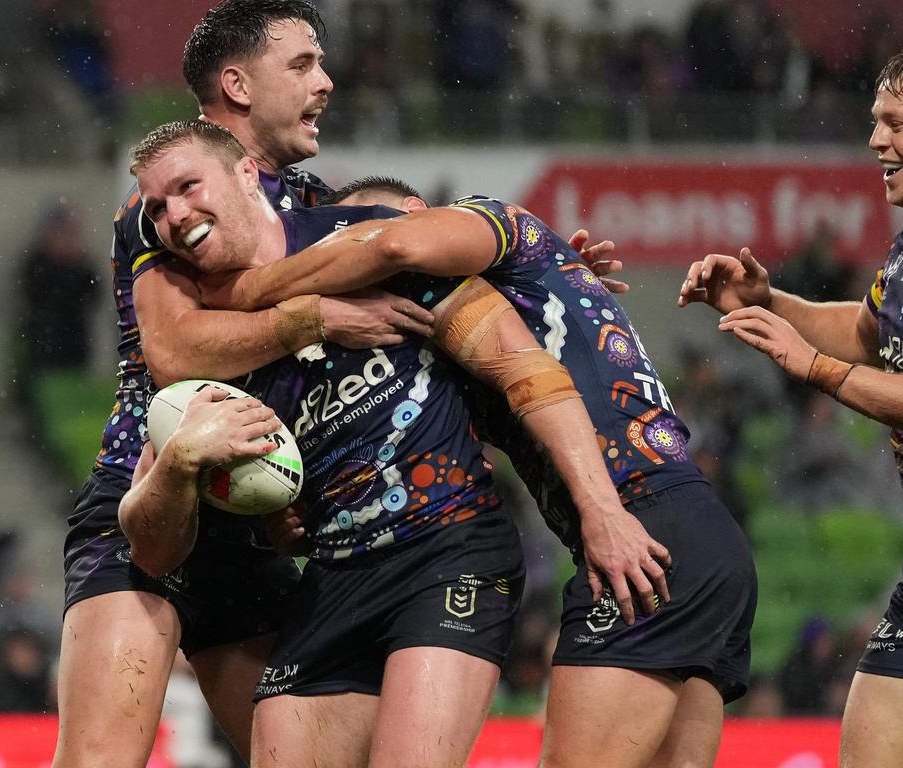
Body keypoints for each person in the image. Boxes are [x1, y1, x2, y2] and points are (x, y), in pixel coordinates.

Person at [128, 119, 673, 768]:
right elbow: (151, 548)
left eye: (188, 186)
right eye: (157, 209)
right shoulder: (200, 341)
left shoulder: (371, 245)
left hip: (449, 550)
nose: (175, 215)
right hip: (335, 575)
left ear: (247, 173)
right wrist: (201, 477)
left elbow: (525, 371)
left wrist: (602, 511)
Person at [196, 173, 758, 767]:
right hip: (702, 540)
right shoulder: (480, 322)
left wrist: (246, 291)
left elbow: (392, 245)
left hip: (644, 527)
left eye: (347, 234)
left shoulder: (488, 219)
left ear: (416, 211)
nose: (348, 255)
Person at [53, 3, 436, 767]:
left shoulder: (313, 208)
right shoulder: (171, 198)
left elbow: (410, 292)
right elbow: (173, 354)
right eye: (301, 64)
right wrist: (311, 318)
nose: (325, 82)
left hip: (254, 518)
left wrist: (541, 281)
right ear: (238, 83)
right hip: (143, 508)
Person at [679, 42, 903, 767]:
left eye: (894, 121)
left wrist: (816, 370)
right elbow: (868, 333)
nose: (875, 140)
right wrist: (770, 302)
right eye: (874, 121)